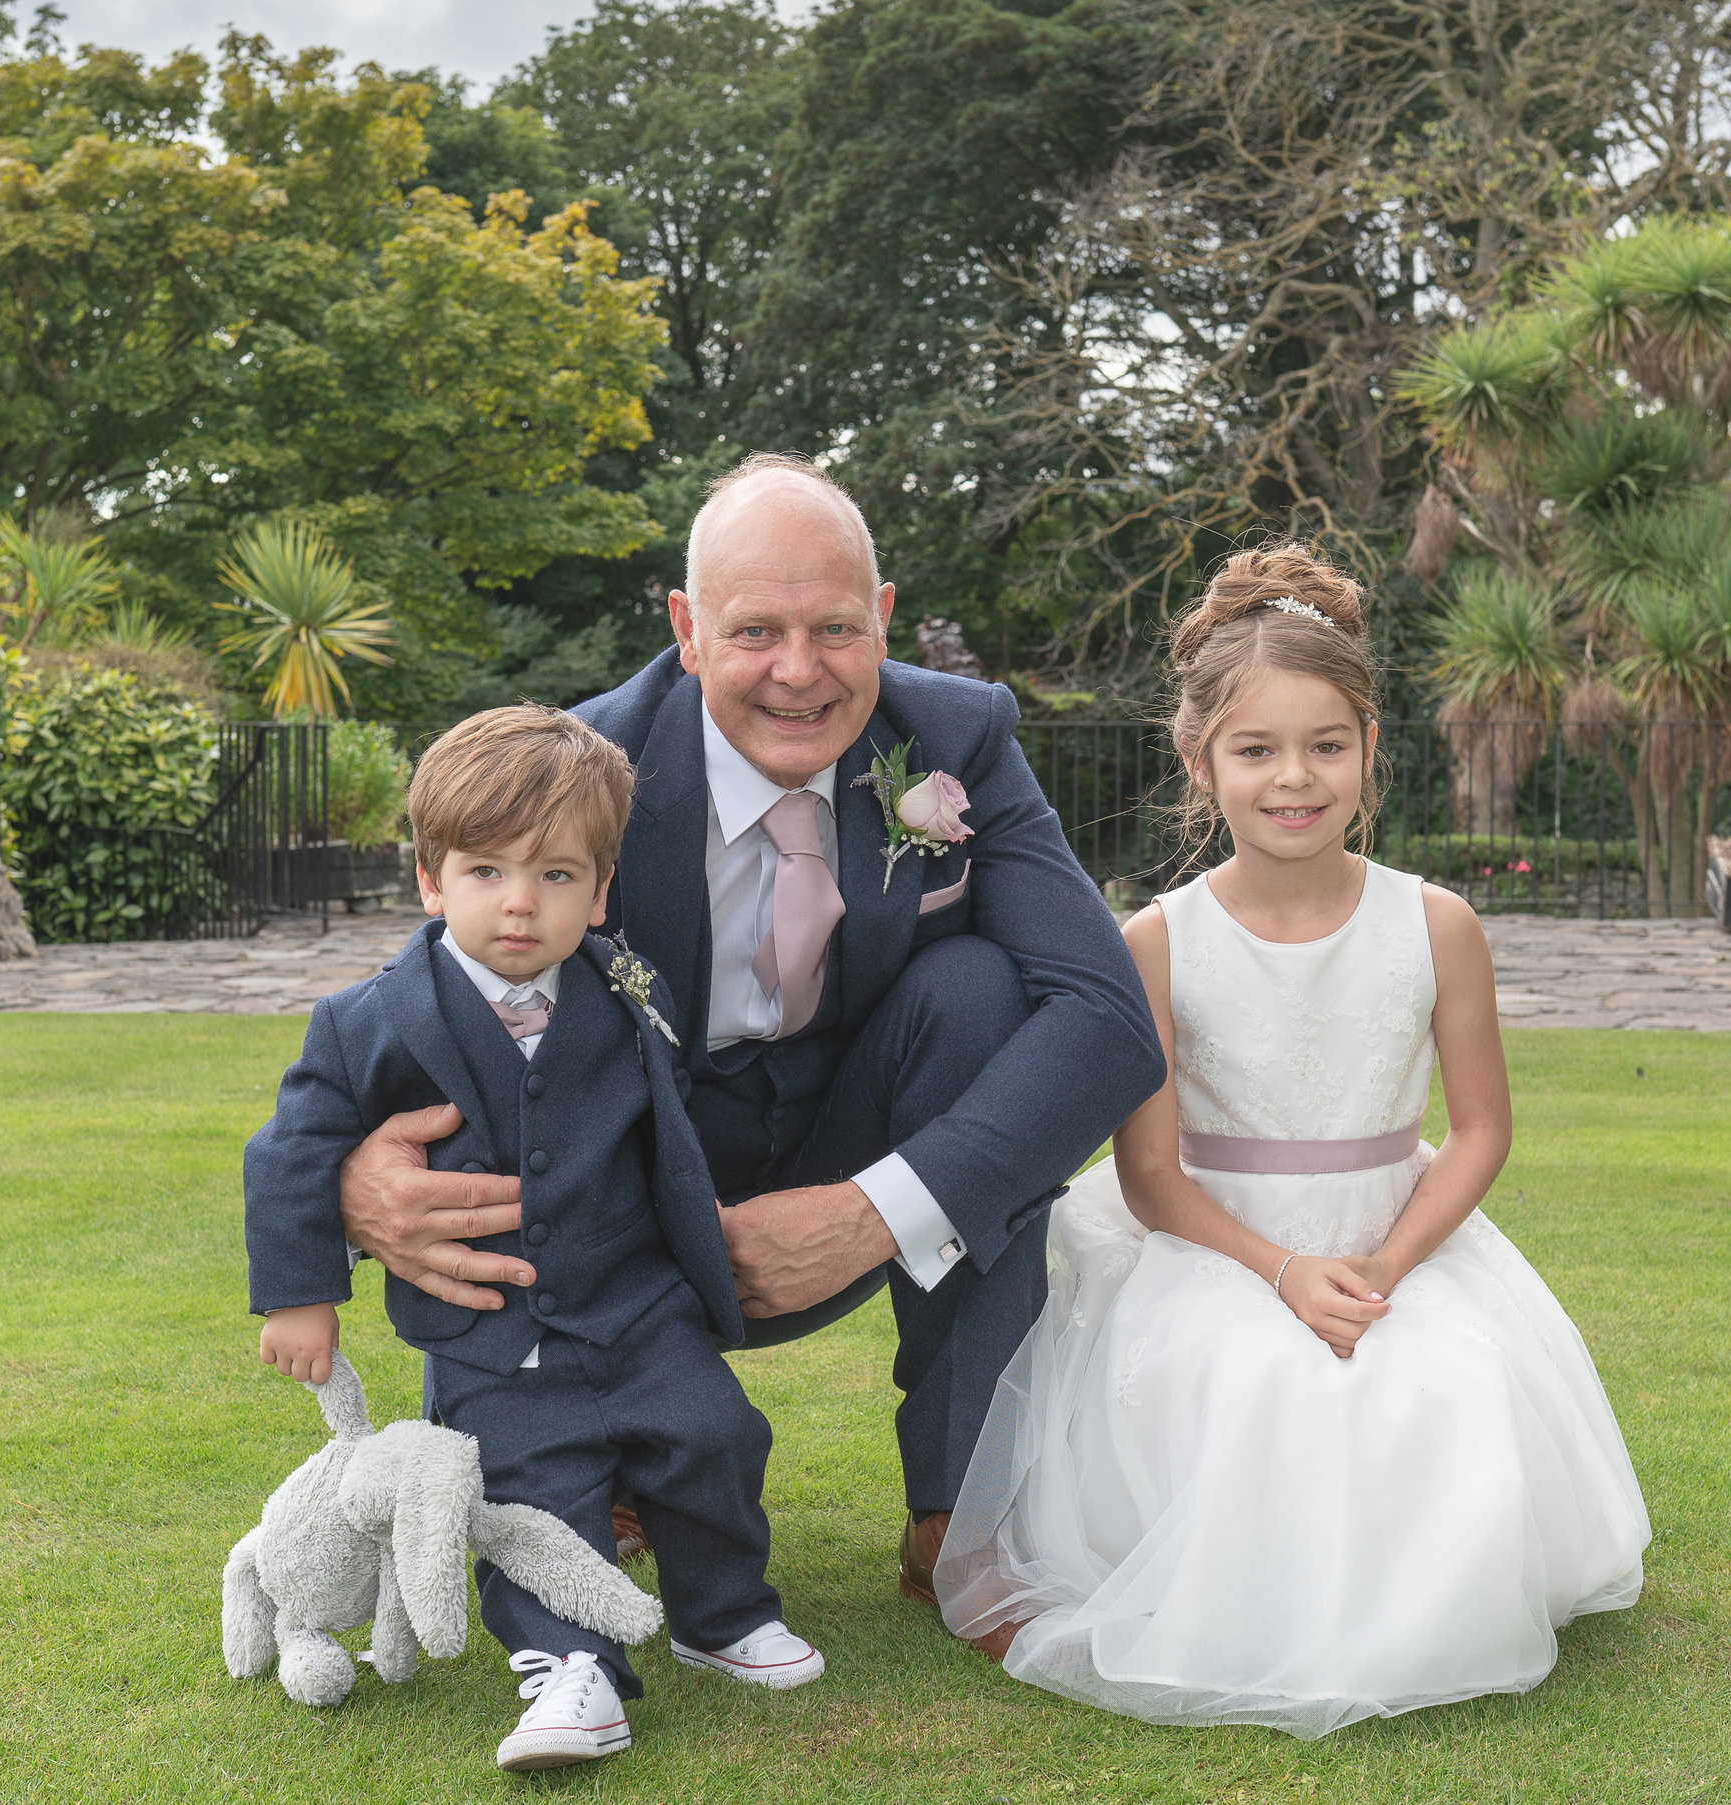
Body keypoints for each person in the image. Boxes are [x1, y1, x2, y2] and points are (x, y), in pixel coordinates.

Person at [329, 456, 1166, 1653]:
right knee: (509, 1062)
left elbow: (1108, 1018)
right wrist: (356, 1183)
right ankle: (587, 1459)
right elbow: (420, 1000)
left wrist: (877, 1210)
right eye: (754, 630)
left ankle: (961, 1516)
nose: (797, 669)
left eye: (833, 627)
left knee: (982, 992)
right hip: (624, 1187)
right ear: (685, 629)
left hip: (843, 1144)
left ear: (880, 620)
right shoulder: (583, 764)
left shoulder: (957, 739)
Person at [933, 546, 1653, 1734]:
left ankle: (1421, 1601)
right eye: (1255, 749)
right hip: (1216, 1249)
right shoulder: (1156, 943)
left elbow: (1477, 1133)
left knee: (1439, 1384)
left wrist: (1381, 1265)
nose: (1293, 778)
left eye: (1326, 743)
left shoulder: (1438, 923)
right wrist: (1280, 1272)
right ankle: (1258, 1598)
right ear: (1199, 760)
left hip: (1396, 1236)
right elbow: (1151, 1176)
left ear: (1371, 745)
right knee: (1261, 1386)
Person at [242, 706, 822, 1776]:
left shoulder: (625, 988)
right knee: (526, 1496)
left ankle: (721, 1613)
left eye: (557, 875)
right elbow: (291, 1151)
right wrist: (301, 1293)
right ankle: (568, 1668)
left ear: (599, 892)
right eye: (486, 871)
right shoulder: (367, 1020)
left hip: (639, 1309)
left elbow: (670, 1125)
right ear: (429, 878)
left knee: (714, 1438)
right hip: (486, 1337)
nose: (520, 901)